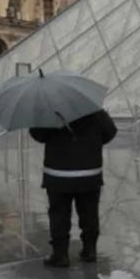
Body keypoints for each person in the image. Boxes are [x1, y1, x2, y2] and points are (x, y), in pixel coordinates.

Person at [30, 109, 117, 267]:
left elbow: (38, 135)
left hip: (58, 174)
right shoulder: (93, 109)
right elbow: (110, 131)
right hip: (89, 173)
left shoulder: (50, 111)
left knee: (59, 215)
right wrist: (91, 142)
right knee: (89, 212)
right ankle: (90, 250)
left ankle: (60, 255)